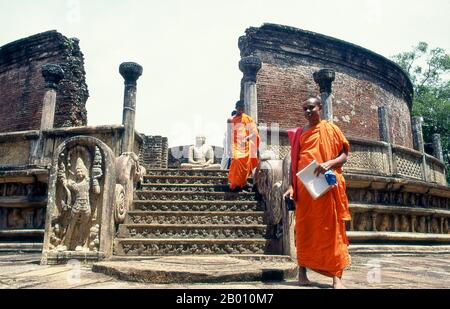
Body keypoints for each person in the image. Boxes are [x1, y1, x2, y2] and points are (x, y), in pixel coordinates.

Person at [283, 97, 351, 289]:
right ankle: (302, 274)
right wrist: (291, 186)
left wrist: (330, 163)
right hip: (305, 188)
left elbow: (344, 155)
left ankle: (336, 278)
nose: (308, 111)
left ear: (320, 108)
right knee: (304, 230)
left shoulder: (330, 129)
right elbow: (294, 163)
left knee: (332, 230)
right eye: (304, 108)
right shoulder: (299, 133)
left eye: (311, 107)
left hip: (326, 186)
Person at [228, 100, 260, 191]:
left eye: (242, 107)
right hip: (235, 145)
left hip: (245, 145)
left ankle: (243, 183)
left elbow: (254, 132)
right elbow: (229, 134)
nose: (241, 109)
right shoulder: (231, 119)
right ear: (236, 108)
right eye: (239, 107)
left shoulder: (248, 119)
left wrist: (247, 138)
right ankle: (235, 184)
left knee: (245, 165)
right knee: (237, 160)